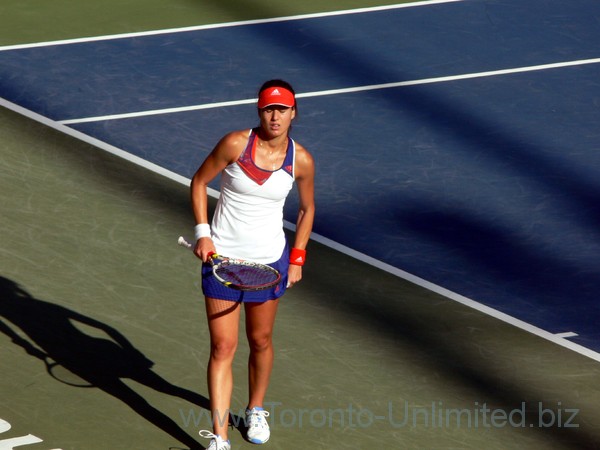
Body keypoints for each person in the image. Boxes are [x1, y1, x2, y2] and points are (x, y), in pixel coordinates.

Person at [190, 80, 315, 450]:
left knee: (260, 340)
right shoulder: (234, 144)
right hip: (223, 262)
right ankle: (220, 437)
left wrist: (298, 257)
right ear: (259, 111)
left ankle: (256, 408)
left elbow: (308, 210)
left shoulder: (301, 160)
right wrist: (203, 233)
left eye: (282, 109)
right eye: (268, 109)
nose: (274, 116)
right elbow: (199, 182)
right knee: (222, 348)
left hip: (269, 263)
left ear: (293, 113)